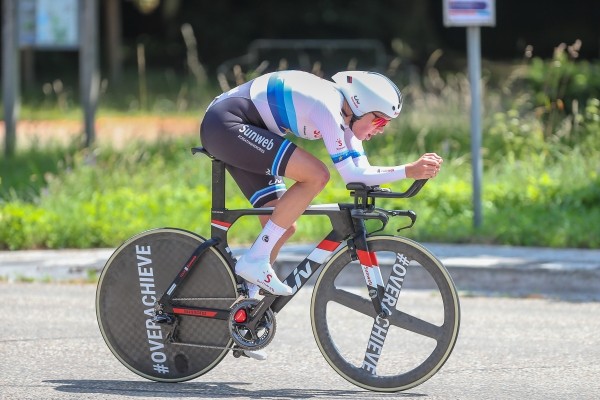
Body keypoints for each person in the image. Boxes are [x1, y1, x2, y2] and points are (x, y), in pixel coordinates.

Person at [200, 70, 443, 297]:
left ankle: (245, 298)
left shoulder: (348, 119)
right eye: (379, 121)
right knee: (316, 175)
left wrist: (407, 172)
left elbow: (362, 172)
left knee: (283, 223)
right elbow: (352, 176)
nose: (381, 130)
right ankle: (254, 260)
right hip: (226, 125)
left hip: (246, 129)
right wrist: (408, 170)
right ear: (360, 104)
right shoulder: (327, 105)